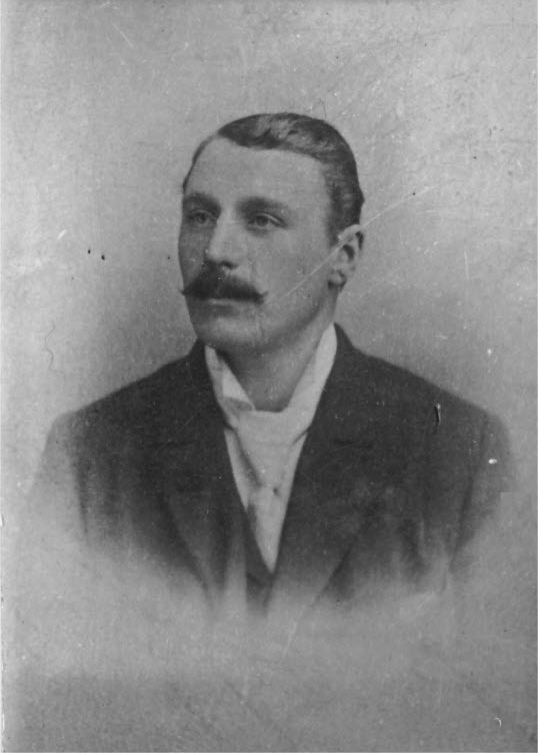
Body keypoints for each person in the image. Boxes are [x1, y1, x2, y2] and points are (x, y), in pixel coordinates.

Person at [30, 113, 511, 632]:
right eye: (199, 216)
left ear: (343, 256)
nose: (216, 251)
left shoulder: (459, 452)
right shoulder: (88, 456)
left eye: (261, 220)